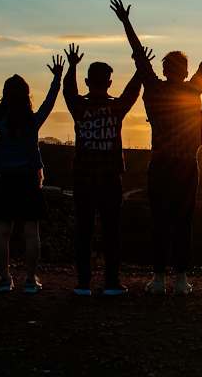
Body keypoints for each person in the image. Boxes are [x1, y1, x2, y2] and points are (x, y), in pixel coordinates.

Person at [110, 0, 202, 295]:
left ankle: (158, 278)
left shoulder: (154, 89)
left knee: (160, 222)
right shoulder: (193, 89)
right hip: (185, 167)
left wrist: (126, 22)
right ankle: (181, 279)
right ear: (184, 71)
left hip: (160, 165)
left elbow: (139, 56)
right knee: (183, 223)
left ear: (165, 69)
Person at [0, 49, 64, 293]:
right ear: (27, 96)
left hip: (6, 181)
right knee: (31, 232)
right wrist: (57, 78)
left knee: (3, 231)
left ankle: (5, 279)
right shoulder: (33, 123)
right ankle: (29, 279)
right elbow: (49, 102)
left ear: (6, 96)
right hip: (28, 181)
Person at [63, 43, 143, 296]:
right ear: (109, 83)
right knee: (111, 233)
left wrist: (71, 66)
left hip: (83, 180)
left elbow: (68, 90)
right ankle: (111, 282)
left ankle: (83, 283)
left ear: (88, 81)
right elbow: (132, 92)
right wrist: (140, 68)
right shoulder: (116, 108)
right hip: (110, 180)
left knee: (83, 231)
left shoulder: (78, 107)